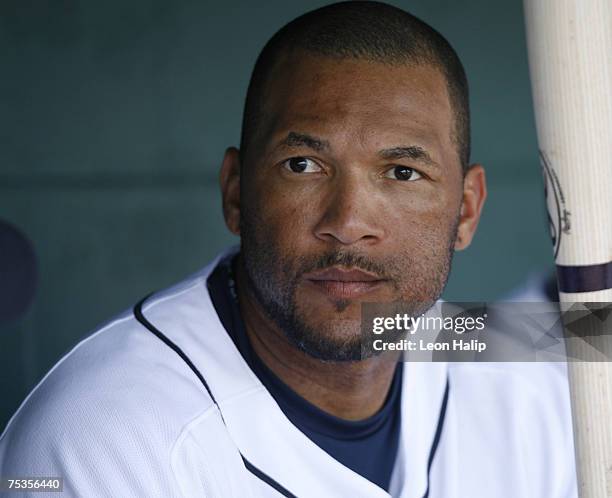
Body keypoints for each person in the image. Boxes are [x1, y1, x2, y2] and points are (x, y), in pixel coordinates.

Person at [0, 2, 577, 497]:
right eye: (302, 165)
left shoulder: (448, 337)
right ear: (236, 193)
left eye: (402, 172)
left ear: (467, 210)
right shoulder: (98, 440)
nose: (348, 223)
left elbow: (567, 333)